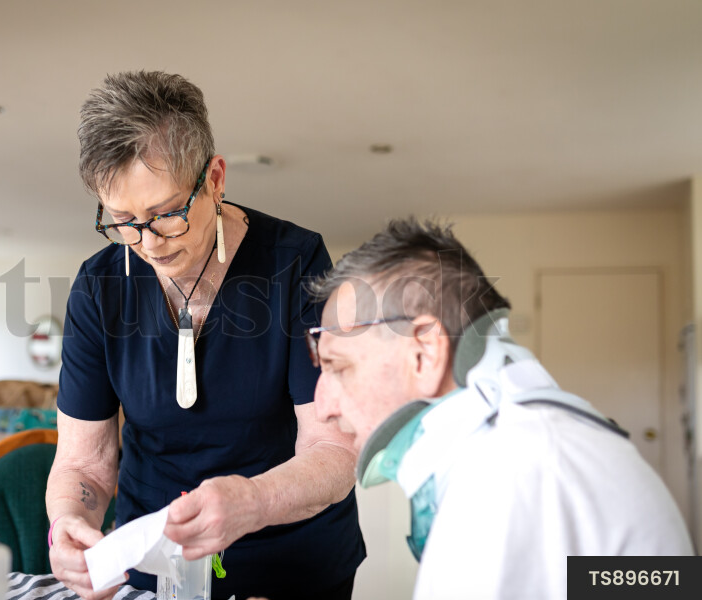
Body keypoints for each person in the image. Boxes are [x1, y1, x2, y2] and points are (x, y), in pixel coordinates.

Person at [45, 71, 365, 600]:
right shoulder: (99, 287)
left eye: (166, 213)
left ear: (215, 178)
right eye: (123, 219)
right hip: (154, 565)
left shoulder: (295, 264)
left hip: (290, 565)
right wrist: (68, 523)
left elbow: (333, 447)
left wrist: (253, 501)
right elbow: (83, 463)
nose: (148, 242)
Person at [307, 218, 693, 599]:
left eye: (338, 367)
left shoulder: (510, 472)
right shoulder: (542, 445)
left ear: (425, 354)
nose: (323, 407)